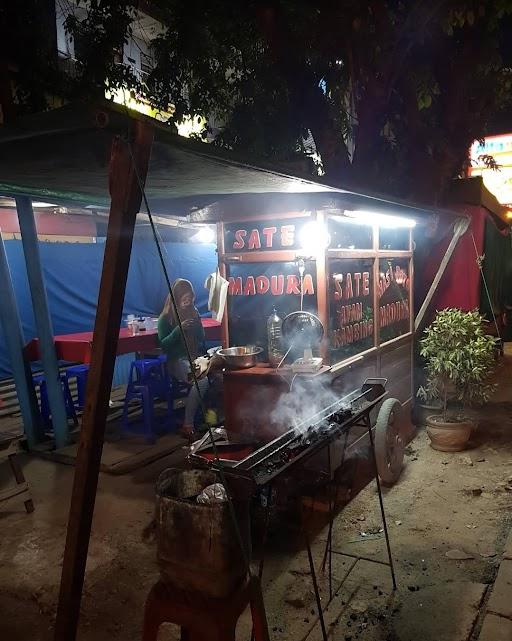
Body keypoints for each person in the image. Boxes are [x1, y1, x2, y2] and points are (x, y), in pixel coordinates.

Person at [158, 279, 208, 436]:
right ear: (176, 298)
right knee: (202, 381)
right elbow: (164, 345)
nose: (187, 302)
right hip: (176, 361)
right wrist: (178, 330)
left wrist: (198, 324)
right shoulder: (165, 318)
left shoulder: (193, 313)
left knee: (216, 375)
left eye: (190, 298)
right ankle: (187, 424)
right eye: (184, 299)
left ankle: (208, 417)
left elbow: (201, 337)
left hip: (193, 357)